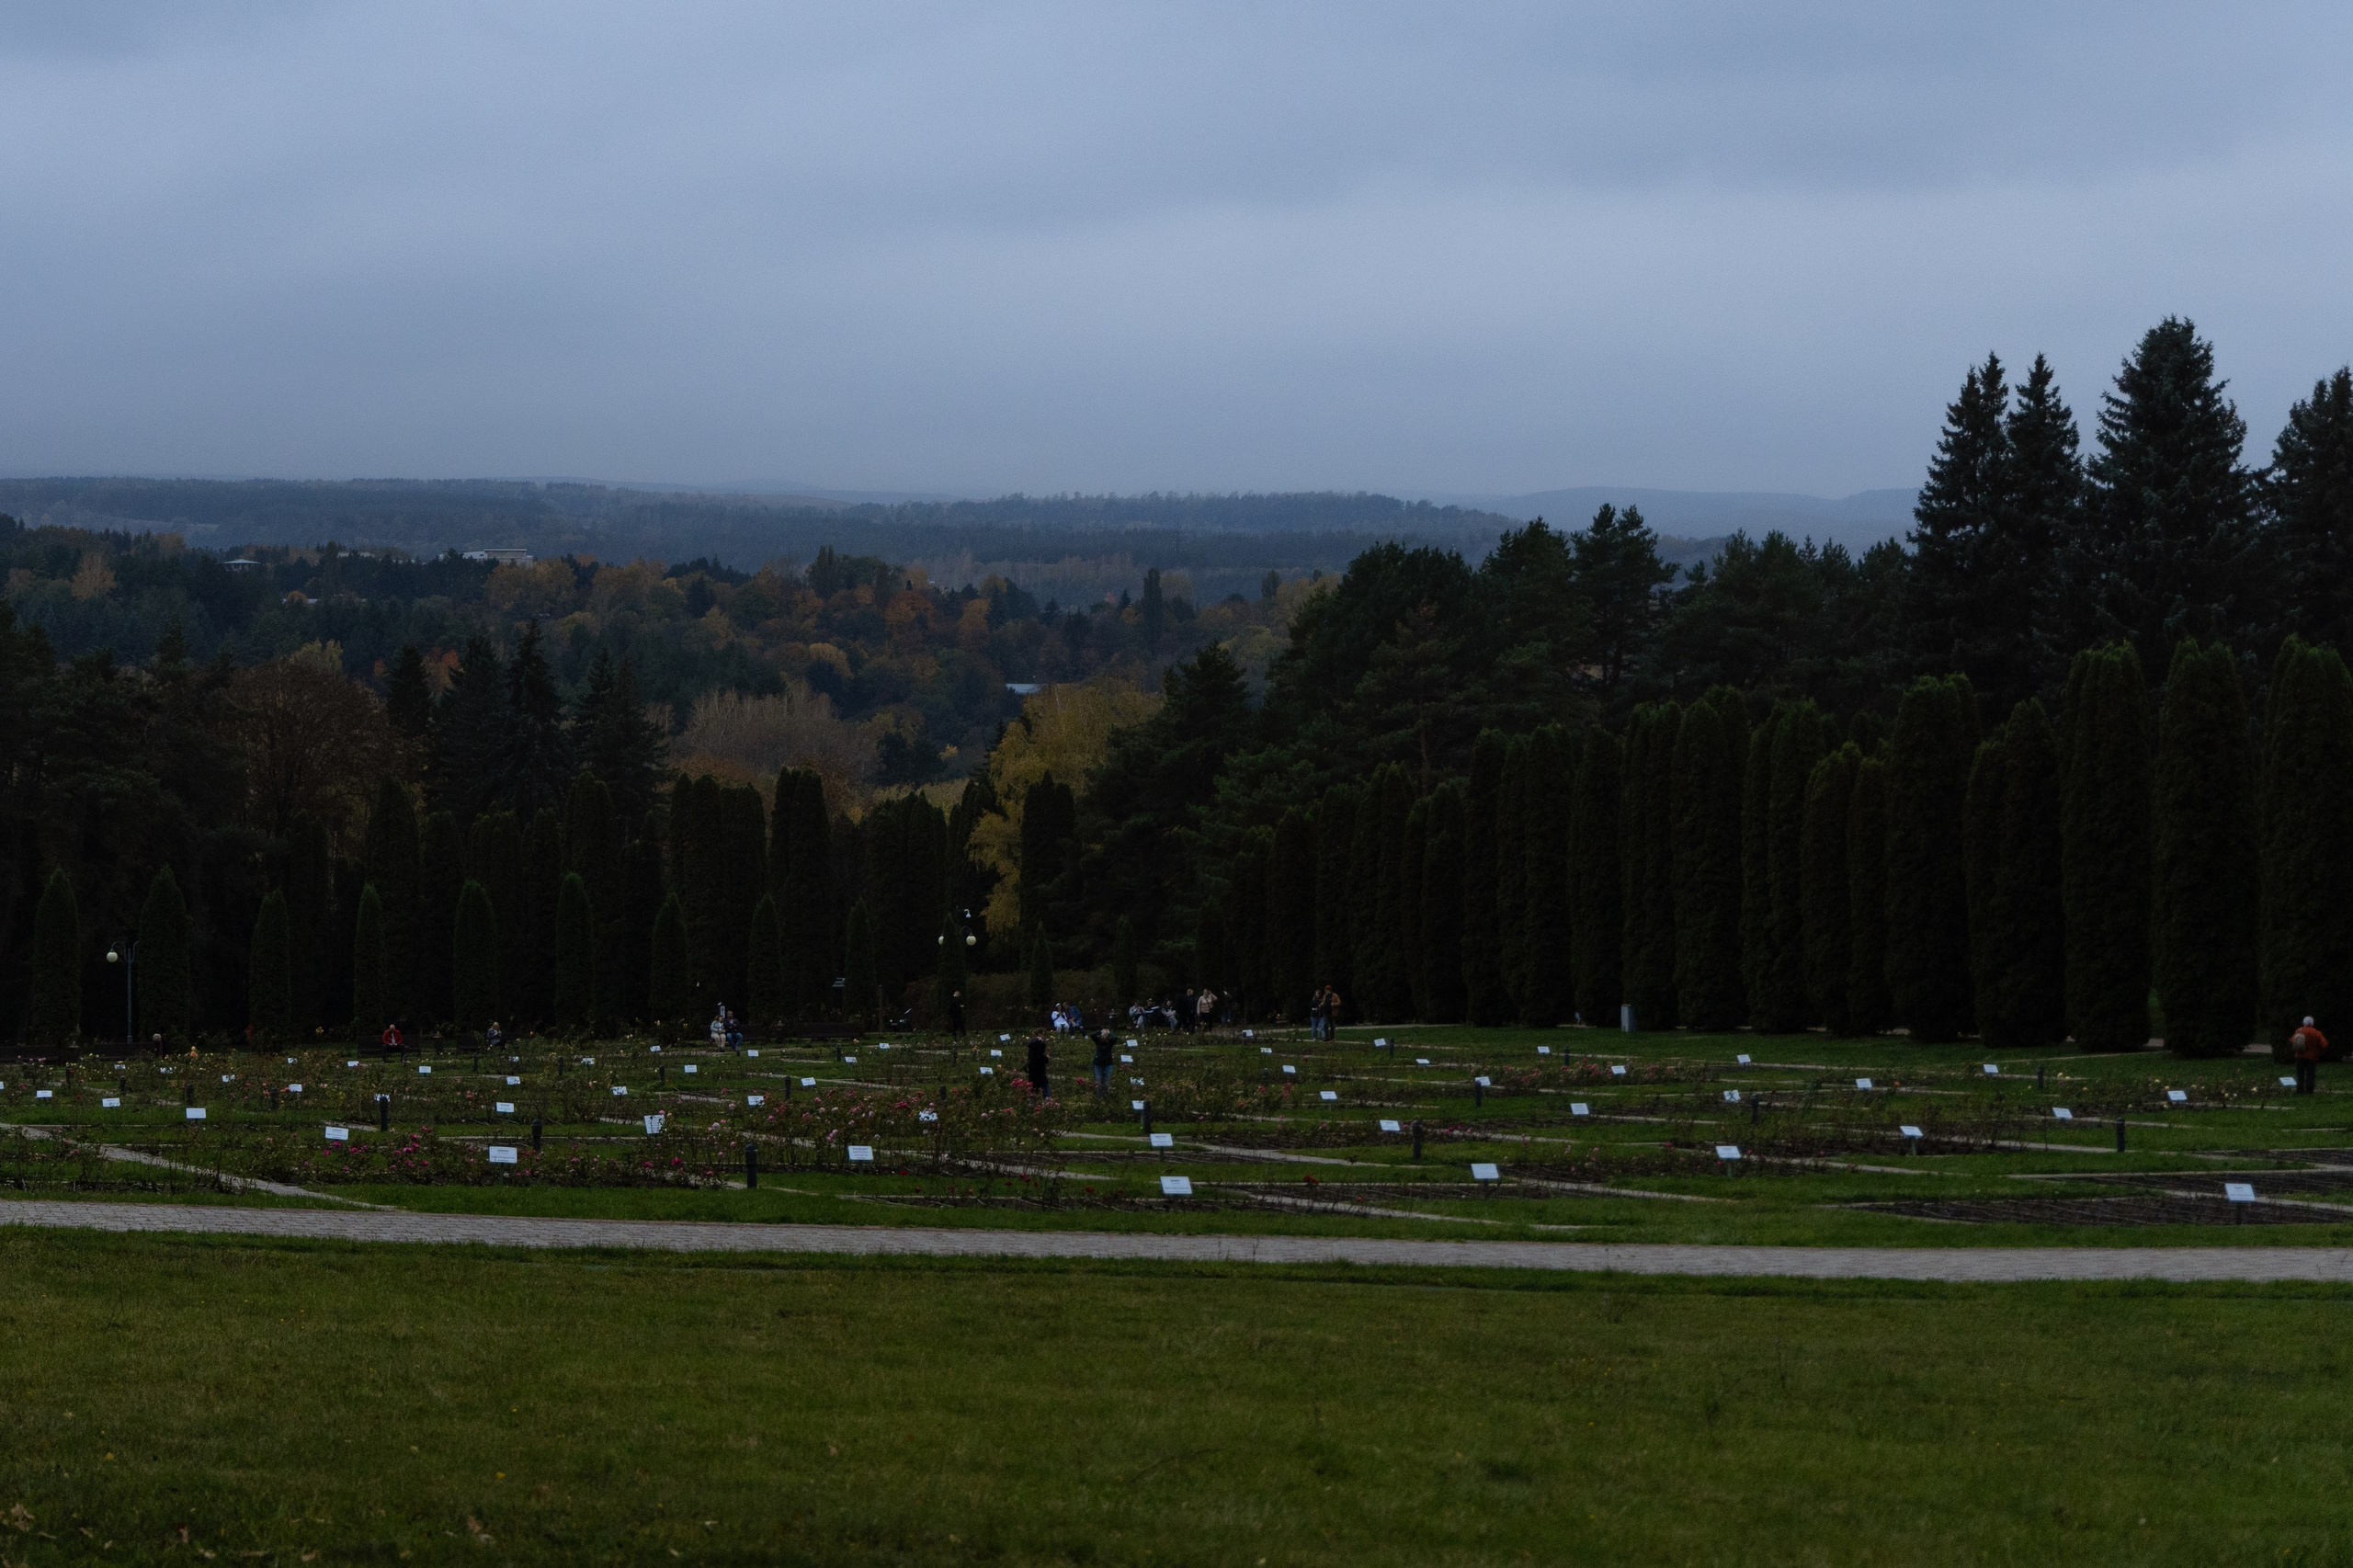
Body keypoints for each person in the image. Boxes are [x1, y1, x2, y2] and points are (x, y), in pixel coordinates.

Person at [2292, 1016, 2328, 1096]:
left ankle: (2299, 1090)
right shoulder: (2316, 1033)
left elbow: (2292, 1040)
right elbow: (2324, 1044)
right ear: (2312, 1023)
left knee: (2300, 1074)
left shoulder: (2299, 1031)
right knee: (2310, 1074)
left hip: (2300, 1056)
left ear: (2303, 1022)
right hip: (2312, 1057)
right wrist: (2319, 1052)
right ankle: (2309, 1091)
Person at [1025, 1032, 1051, 1099]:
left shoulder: (1032, 1043)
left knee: (1034, 1085)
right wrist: (1047, 1059)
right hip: (1039, 1068)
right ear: (1039, 1034)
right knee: (1044, 1085)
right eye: (1044, 1034)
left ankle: (1032, 1099)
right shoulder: (1040, 1044)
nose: (1045, 1037)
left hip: (1032, 1067)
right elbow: (1039, 1056)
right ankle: (1048, 1099)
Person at [1091, 1025, 1116, 1092]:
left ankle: (1106, 1094)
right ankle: (1100, 1095)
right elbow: (1092, 1035)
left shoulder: (1110, 1042)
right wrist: (1100, 1031)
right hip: (1098, 1063)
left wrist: (1109, 1032)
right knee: (1099, 1080)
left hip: (1108, 1063)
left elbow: (1115, 1037)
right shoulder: (1098, 1041)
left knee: (1106, 1080)